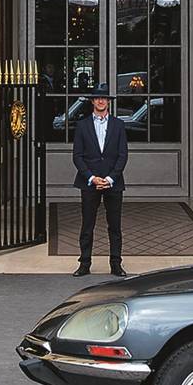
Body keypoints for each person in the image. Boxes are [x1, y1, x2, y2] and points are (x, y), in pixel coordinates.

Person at [72, 81, 128, 277]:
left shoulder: (119, 125)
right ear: (92, 102)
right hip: (89, 183)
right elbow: (77, 155)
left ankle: (116, 264)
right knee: (87, 225)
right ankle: (84, 263)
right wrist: (92, 177)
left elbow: (123, 155)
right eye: (97, 98)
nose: (101, 101)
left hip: (113, 183)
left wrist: (111, 178)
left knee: (115, 226)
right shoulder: (82, 125)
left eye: (104, 98)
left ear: (108, 102)